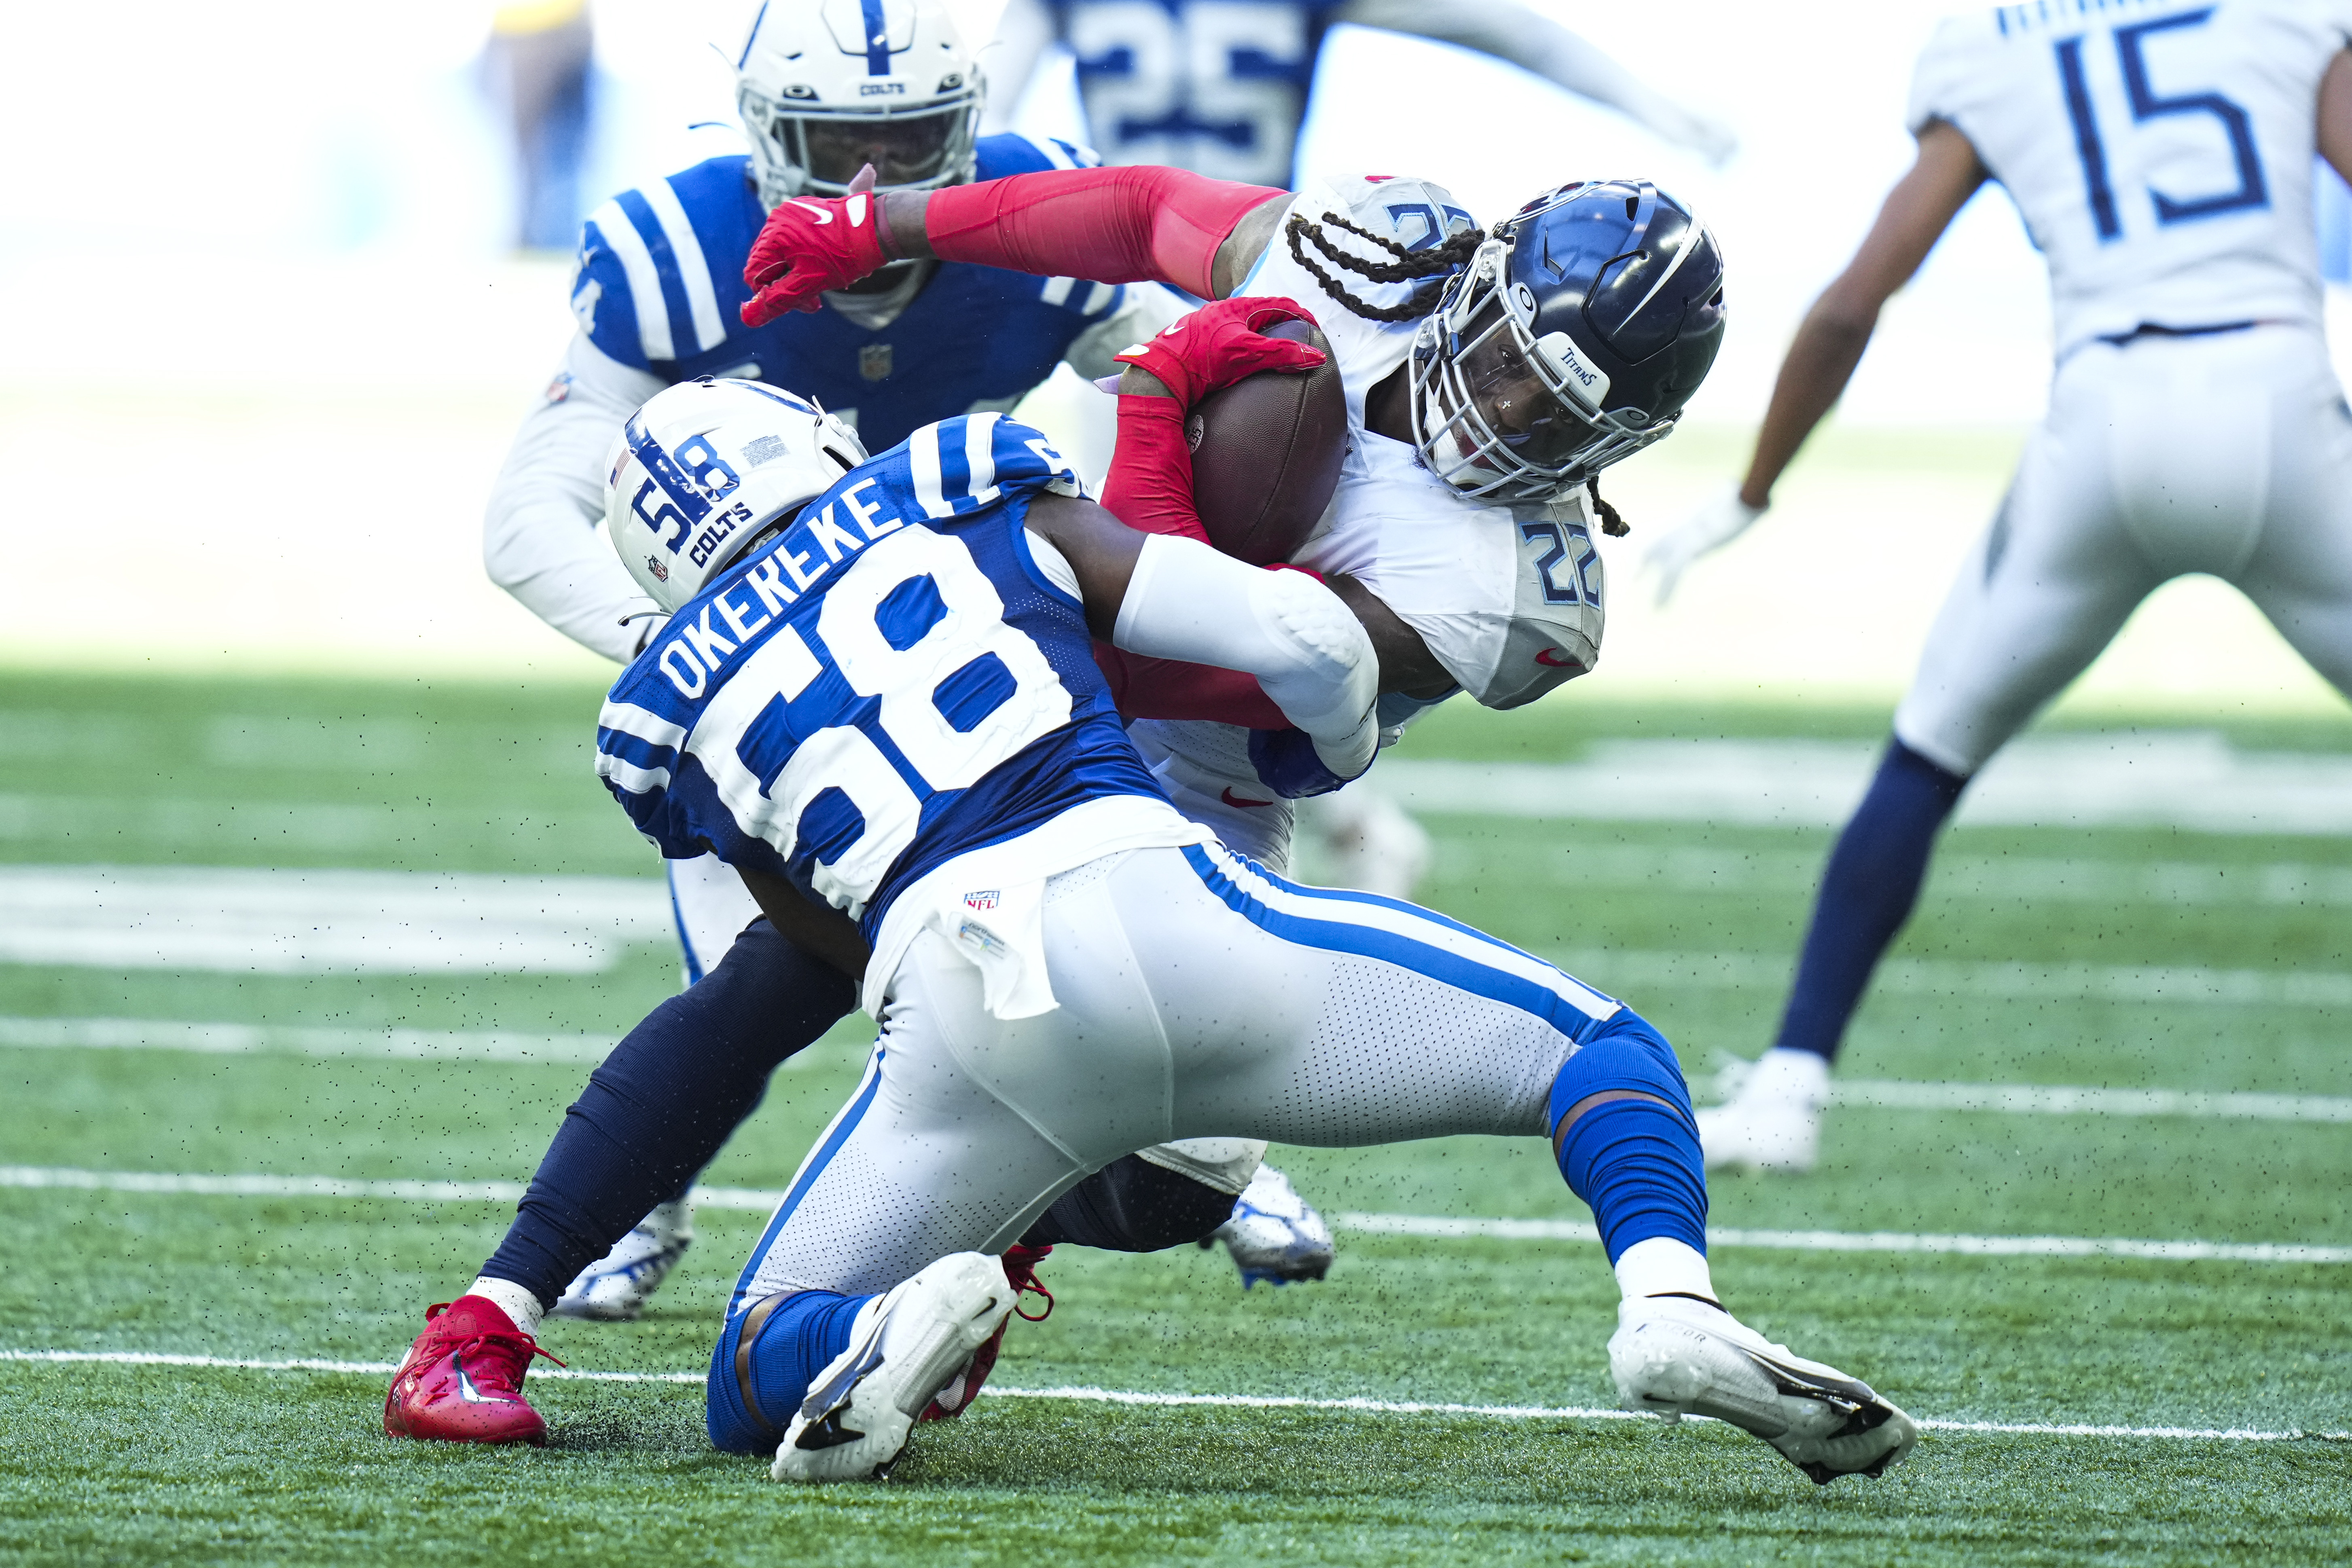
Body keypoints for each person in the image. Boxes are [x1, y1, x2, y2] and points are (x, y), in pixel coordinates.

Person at [391, 370, 1918, 1488]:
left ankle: (896, 1312)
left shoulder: (664, 712)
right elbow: (1286, 631)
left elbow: (817, 950)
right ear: (808, 444)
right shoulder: (947, 478)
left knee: (752, 1369)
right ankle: (1665, 1302)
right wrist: (1334, 740)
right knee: (1601, 1054)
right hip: (1161, 896)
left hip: (960, 1014)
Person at [483, 0, 1334, 1318]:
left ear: (969, 125)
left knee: (1118, 897)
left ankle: (1205, 1156)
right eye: (834, 145)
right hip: (766, 679)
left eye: (917, 139)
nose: (874, 183)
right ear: (768, 136)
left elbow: (1159, 383)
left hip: (967, 634)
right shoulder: (679, 248)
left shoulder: (1027, 215)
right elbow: (528, 514)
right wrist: (687, 650)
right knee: (751, 982)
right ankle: (640, 1202)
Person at [1640, 0, 2352, 1170]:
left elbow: (1850, 302)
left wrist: (1752, 489)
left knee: (1928, 752)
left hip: (2106, 420)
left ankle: (1789, 1087)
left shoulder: (1992, 43)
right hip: (2276, 386)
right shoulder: (2281, 12)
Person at [981, 0, 1737, 188]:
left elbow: (981, 111)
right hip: (1247, 273)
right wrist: (1657, 110)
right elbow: (1504, 30)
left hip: (1151, 283)